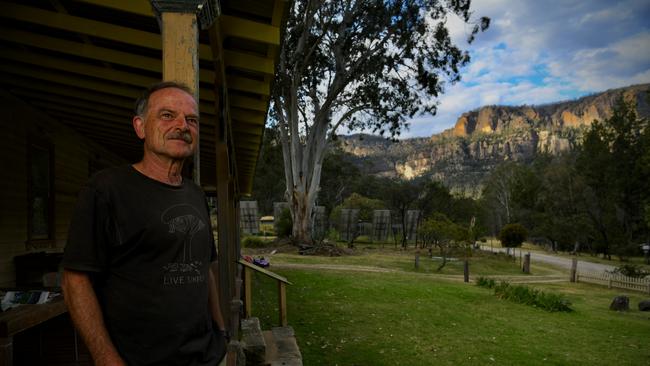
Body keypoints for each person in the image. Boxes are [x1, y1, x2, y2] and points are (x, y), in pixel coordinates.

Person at [61, 82, 227, 365]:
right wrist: (106, 359)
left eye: (191, 120)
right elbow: (74, 280)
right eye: (167, 115)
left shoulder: (195, 194)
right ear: (140, 127)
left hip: (205, 357)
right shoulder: (106, 190)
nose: (182, 126)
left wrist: (221, 332)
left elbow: (206, 268)